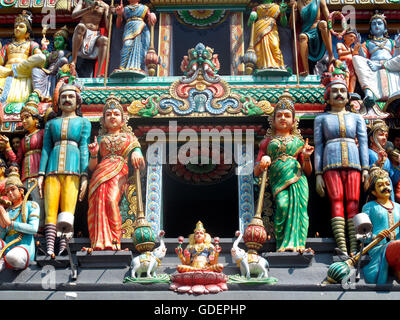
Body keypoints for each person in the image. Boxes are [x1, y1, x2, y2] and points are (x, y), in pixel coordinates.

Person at [314, 73, 369, 256]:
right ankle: (342, 246)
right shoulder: (321, 119)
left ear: (348, 95)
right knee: (336, 201)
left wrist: (366, 168)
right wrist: (318, 173)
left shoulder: (357, 118)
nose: (339, 94)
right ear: (328, 96)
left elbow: (363, 143)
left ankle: (354, 246)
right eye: (335, 91)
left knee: (353, 202)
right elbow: (319, 146)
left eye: (343, 91)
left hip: (354, 162)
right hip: (330, 162)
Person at [254, 91, 314, 252]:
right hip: (277, 180)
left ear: (293, 121)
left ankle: (298, 244)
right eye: (279, 115)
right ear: (273, 121)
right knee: (281, 205)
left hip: (297, 180)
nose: (282, 118)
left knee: (299, 211)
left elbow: (308, 171)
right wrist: (263, 162)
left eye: (287, 115)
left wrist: (306, 157)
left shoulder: (299, 142)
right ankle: (283, 244)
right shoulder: (267, 142)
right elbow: (255, 172)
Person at [38, 83, 91, 256]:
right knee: (50, 210)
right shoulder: (51, 123)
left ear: (78, 102)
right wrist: (40, 174)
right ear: (58, 103)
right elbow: (45, 148)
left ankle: (63, 246)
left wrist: (84, 175)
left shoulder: (84, 122)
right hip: (52, 170)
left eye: (71, 97)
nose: (67, 100)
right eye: (63, 97)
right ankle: (50, 246)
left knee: (68, 210)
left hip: (73, 169)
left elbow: (84, 147)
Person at [86, 94, 144, 251]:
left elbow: (136, 149)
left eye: (116, 114)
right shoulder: (100, 138)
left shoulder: (128, 136)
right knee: (97, 203)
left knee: (111, 201)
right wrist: (93, 153)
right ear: (103, 120)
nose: (112, 117)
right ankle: (99, 240)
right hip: (100, 171)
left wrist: (136, 153)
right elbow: (91, 167)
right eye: (108, 114)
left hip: (118, 169)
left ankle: (114, 238)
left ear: (123, 120)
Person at [362, 166, 400, 284]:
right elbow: (361, 235)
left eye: (387, 184)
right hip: (379, 249)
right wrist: (375, 236)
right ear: (373, 191)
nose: (386, 187)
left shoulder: (398, 207)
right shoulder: (368, 207)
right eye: (381, 185)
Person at [353, 12, 400, 108]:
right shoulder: (368, 43)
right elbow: (363, 58)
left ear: (385, 28)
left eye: (379, 23)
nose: (377, 25)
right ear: (370, 30)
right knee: (356, 58)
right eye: (374, 24)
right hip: (372, 65)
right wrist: (358, 44)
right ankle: (369, 93)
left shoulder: (391, 42)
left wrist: (398, 45)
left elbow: (396, 57)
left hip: (389, 64)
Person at [0, 10, 46, 107]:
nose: (17, 28)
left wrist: (17, 68)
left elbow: (41, 58)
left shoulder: (31, 44)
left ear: (28, 33)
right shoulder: (7, 46)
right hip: (6, 71)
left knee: (41, 57)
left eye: (21, 26)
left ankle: (14, 70)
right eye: (16, 26)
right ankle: (11, 72)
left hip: (23, 70)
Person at [0, 173, 40, 271]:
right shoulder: (8, 211)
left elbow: (33, 229)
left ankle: (5, 261)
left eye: (12, 189)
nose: (9, 193)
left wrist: (11, 224)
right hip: (8, 246)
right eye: (7, 191)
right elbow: (2, 236)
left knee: (13, 257)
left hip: (24, 246)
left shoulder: (31, 205)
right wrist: (2, 226)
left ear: (21, 191)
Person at [289, 0, 334, 76]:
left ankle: (331, 56)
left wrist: (330, 26)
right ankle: (306, 70)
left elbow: (328, 18)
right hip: (307, 31)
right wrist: (294, 10)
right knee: (302, 37)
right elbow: (291, 25)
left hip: (318, 29)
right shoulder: (299, 3)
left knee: (323, 23)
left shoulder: (319, 1)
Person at [115, 0, 157, 75]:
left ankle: (138, 67)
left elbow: (151, 21)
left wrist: (152, 15)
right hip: (129, 28)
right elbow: (118, 25)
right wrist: (119, 15)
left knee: (140, 47)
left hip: (141, 28)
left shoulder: (144, 8)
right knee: (127, 45)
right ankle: (122, 67)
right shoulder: (125, 8)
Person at [71, 0, 110, 77]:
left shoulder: (105, 6)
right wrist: (88, 9)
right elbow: (74, 15)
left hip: (95, 34)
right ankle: (73, 62)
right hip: (83, 30)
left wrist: (110, 15)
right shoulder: (83, 1)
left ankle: (98, 74)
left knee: (105, 40)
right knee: (80, 27)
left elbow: (108, 27)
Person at [32, 26, 71, 102]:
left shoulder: (68, 53)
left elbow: (67, 63)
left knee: (63, 60)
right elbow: (44, 66)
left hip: (59, 72)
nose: (57, 42)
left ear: (65, 43)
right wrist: (44, 56)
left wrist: (54, 69)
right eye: (55, 40)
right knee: (35, 70)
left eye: (60, 40)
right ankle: (38, 92)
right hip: (47, 72)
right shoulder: (51, 53)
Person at [248, 0, 287, 70]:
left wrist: (283, 12)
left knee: (275, 46)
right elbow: (249, 24)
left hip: (272, 29)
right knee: (258, 49)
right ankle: (261, 67)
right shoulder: (257, 8)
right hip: (259, 29)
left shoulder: (277, 7)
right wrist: (251, 19)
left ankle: (280, 65)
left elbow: (284, 23)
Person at [367, 120, 400, 202]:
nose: (384, 138)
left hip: (389, 190)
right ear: (372, 138)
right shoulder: (368, 153)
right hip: (375, 190)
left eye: (386, 135)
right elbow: (365, 173)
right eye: (381, 135)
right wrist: (377, 163)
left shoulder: (387, 158)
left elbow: (394, 179)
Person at [336, 29, 360, 93]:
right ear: (345, 37)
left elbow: (356, 57)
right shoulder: (340, 44)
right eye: (351, 36)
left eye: (354, 38)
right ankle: (345, 91)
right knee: (346, 75)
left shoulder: (352, 49)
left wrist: (356, 51)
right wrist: (351, 51)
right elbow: (340, 53)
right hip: (343, 64)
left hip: (351, 65)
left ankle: (351, 92)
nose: (352, 39)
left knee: (354, 77)